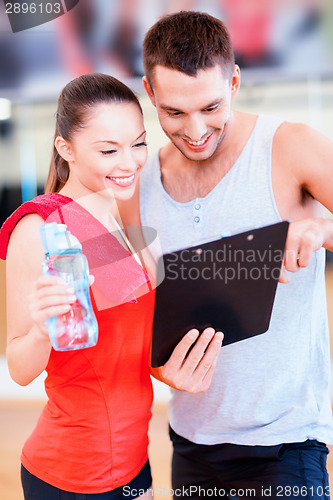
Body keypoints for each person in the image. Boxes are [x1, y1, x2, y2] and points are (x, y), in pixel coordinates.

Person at [134, 10, 333, 499]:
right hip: (191, 443)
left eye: (211, 107)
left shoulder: (290, 147)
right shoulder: (138, 187)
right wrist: (159, 366)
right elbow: (147, 310)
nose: (196, 130)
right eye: (174, 113)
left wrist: (321, 227)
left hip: (286, 444)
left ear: (236, 81)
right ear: (149, 93)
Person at [0, 73, 222, 500]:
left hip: (135, 465)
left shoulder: (129, 221)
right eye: (108, 150)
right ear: (66, 149)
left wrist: (174, 370)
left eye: (138, 143)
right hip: (68, 475)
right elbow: (19, 368)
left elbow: (131, 351)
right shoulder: (41, 225)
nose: (130, 162)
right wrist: (43, 329)